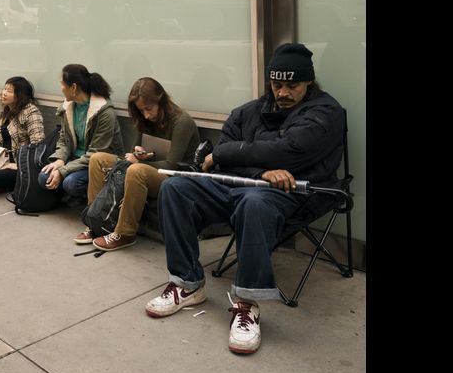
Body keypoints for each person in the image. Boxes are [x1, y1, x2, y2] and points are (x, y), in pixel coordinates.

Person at [145, 43, 345, 355]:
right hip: (246, 185)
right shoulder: (246, 112)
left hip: (296, 193)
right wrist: (261, 171)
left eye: (292, 85)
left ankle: (247, 304)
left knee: (254, 202)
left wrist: (226, 154)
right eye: (277, 84)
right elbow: (225, 162)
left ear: (308, 82)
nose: (283, 92)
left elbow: (291, 152)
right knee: (175, 188)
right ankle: (187, 282)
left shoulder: (326, 112)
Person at [75, 77, 200, 251]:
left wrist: (140, 160)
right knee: (98, 159)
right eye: (141, 111)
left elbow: (171, 164)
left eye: (149, 109)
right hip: (148, 166)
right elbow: (134, 153)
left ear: (161, 101)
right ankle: (95, 222)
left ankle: (125, 233)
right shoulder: (144, 119)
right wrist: (138, 154)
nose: (146, 115)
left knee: (136, 170)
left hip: (173, 177)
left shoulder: (182, 122)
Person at [39, 64, 124, 201]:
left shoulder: (104, 112)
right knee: (43, 177)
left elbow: (96, 154)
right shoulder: (68, 107)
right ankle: (68, 193)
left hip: (96, 164)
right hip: (74, 159)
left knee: (71, 183)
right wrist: (60, 160)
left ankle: (84, 195)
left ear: (73, 87)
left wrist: (63, 171)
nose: (61, 89)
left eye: (62, 84)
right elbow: (63, 139)